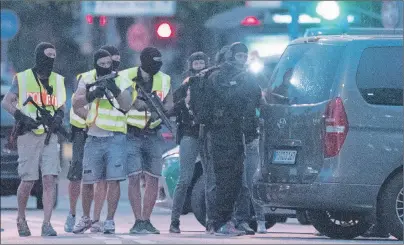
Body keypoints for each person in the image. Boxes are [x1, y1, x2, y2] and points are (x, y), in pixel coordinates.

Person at [1, 42, 66, 237]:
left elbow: (60, 106)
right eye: (47, 55)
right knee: (28, 180)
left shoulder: (58, 80)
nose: (50, 60)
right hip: (28, 135)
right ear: (39, 56)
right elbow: (6, 102)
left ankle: (47, 223)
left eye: (53, 56)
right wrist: (20, 116)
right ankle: (21, 218)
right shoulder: (22, 78)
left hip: (50, 135)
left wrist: (59, 118)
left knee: (49, 178)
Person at [201, 42, 261, 236]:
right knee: (222, 179)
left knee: (236, 179)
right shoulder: (217, 76)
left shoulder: (246, 78)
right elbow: (227, 97)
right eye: (239, 56)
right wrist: (243, 85)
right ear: (229, 56)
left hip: (237, 133)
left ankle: (233, 220)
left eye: (245, 56)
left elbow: (255, 101)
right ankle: (219, 222)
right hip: (219, 132)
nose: (242, 60)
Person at [72, 49, 134, 234]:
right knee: (88, 179)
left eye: (110, 63)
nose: (107, 67)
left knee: (114, 180)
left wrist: (114, 88)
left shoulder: (122, 79)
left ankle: (109, 220)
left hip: (115, 136)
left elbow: (126, 104)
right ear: (96, 63)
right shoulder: (87, 77)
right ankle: (85, 218)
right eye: (103, 64)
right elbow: (76, 103)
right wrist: (92, 95)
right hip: (93, 136)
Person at [120, 47, 173, 234]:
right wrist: (135, 101)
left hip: (153, 133)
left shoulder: (164, 79)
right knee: (133, 177)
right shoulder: (126, 75)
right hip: (132, 133)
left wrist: (161, 108)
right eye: (153, 62)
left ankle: (146, 220)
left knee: (153, 178)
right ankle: (137, 221)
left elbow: (169, 103)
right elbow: (120, 100)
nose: (156, 66)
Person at [168, 52, 209, 233]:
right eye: (196, 62)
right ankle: (174, 220)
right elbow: (172, 108)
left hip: (207, 134)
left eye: (202, 62)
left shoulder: (212, 84)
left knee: (211, 177)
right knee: (184, 178)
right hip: (190, 134)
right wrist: (184, 102)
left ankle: (214, 219)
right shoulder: (185, 85)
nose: (199, 65)